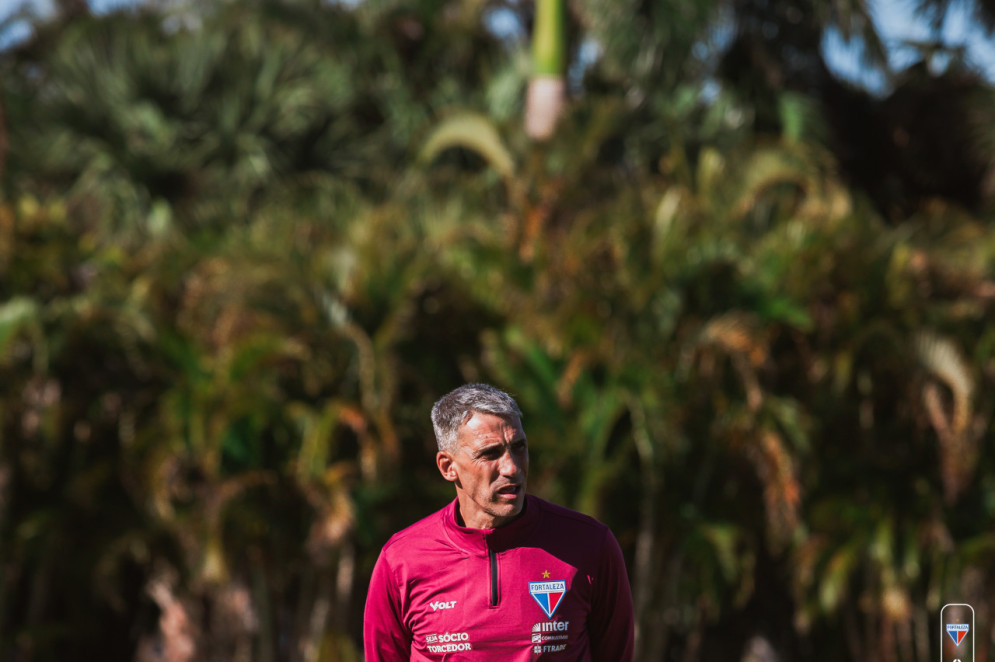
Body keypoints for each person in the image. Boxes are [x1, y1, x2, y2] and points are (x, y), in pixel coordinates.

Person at [363, 383, 635, 660]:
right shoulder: (401, 559)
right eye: (490, 453)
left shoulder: (589, 544)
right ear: (448, 467)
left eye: (519, 447)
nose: (512, 467)